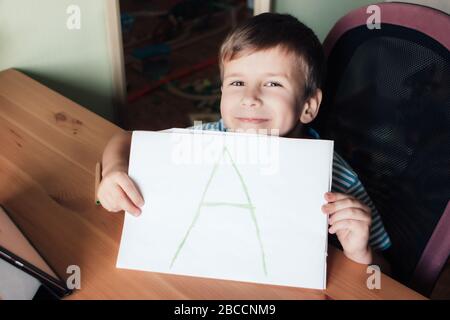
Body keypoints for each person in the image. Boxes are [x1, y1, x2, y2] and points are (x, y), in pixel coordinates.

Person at [98, 13, 391, 267]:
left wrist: (361, 253)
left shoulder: (335, 176)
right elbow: (124, 139)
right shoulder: (207, 139)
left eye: (273, 83)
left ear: (308, 106)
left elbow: (384, 274)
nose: (250, 98)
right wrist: (113, 172)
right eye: (237, 82)